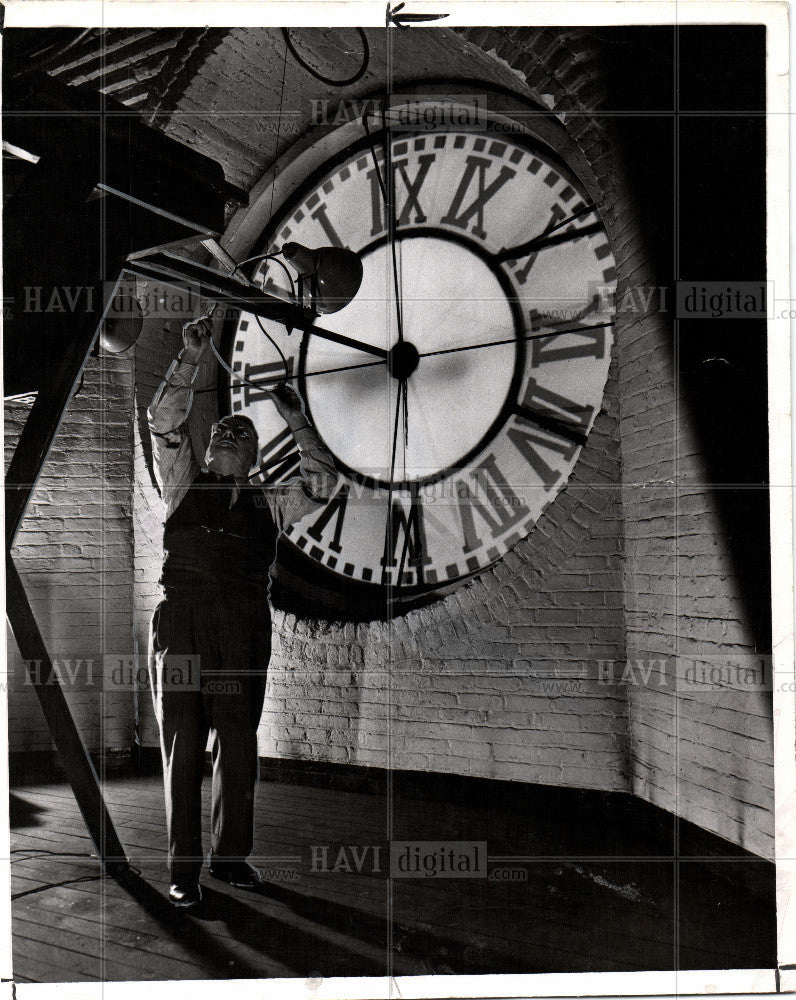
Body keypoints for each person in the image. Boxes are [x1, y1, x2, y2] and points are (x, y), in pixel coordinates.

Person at [146, 316, 337, 908]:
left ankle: (231, 860)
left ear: (254, 454)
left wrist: (297, 418)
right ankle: (183, 870)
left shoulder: (272, 501)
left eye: (242, 432)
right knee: (182, 738)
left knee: (237, 739)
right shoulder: (182, 482)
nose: (229, 431)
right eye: (222, 428)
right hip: (181, 626)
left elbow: (323, 481)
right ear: (206, 446)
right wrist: (191, 358)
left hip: (242, 631)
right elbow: (163, 421)